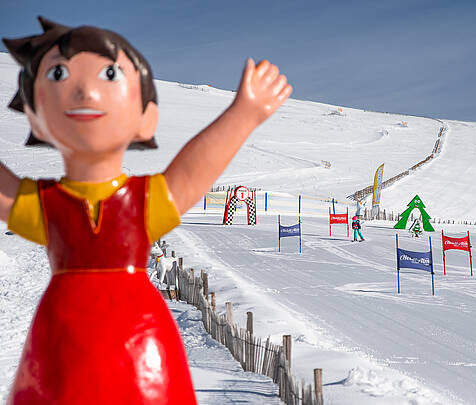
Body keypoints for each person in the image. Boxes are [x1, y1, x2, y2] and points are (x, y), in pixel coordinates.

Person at [0, 17, 291, 404]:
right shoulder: (46, 205)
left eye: (108, 74)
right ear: (35, 113)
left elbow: (192, 172)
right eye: (59, 73)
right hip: (60, 345)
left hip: (140, 348)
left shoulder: (142, 202)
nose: (86, 90)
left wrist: (245, 113)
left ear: (146, 118)